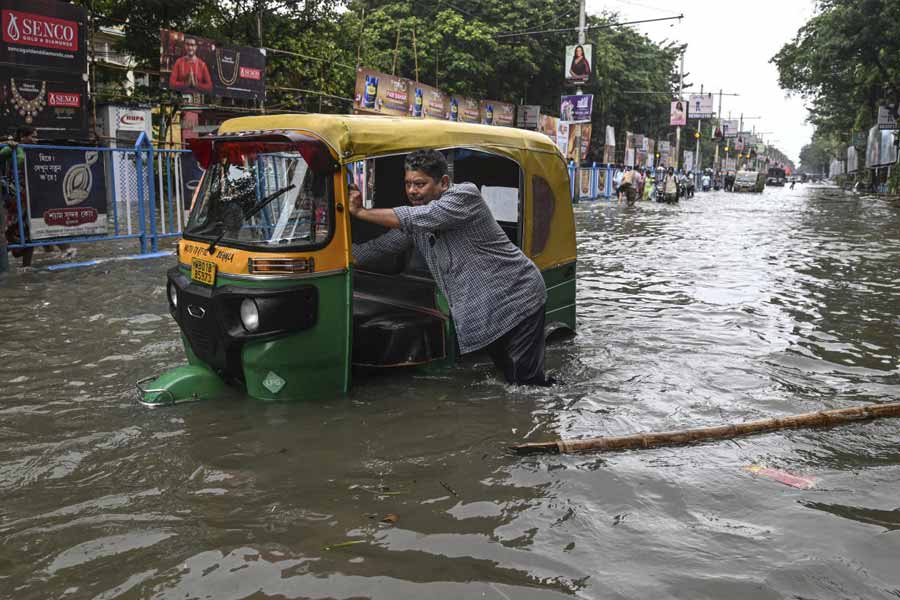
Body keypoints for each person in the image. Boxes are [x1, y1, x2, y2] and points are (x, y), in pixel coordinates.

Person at [349, 149, 552, 386]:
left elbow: (417, 217)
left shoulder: (465, 196)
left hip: (519, 298)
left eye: (420, 184)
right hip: (488, 309)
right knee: (511, 379)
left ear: (443, 182)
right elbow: (382, 246)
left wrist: (361, 212)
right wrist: (343, 258)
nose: (412, 191)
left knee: (525, 385)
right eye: (408, 184)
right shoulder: (419, 221)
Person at [0, 127, 75, 268]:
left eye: (36, 136)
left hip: (35, 194)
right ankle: (25, 261)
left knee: (43, 221)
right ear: (22, 136)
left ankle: (57, 250)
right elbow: (12, 158)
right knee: (22, 228)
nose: (36, 139)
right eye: (33, 136)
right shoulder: (12, 148)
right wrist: (12, 145)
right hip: (18, 195)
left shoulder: (35, 150)